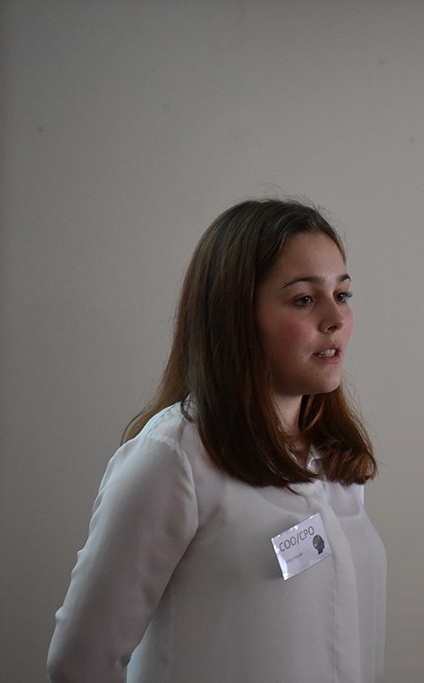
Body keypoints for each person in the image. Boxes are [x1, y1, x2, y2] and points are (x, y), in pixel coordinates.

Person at [47, 198, 385, 682]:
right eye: (304, 299)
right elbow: (80, 663)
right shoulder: (174, 458)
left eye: (342, 294)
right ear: (236, 315)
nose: (335, 318)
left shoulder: (334, 460)